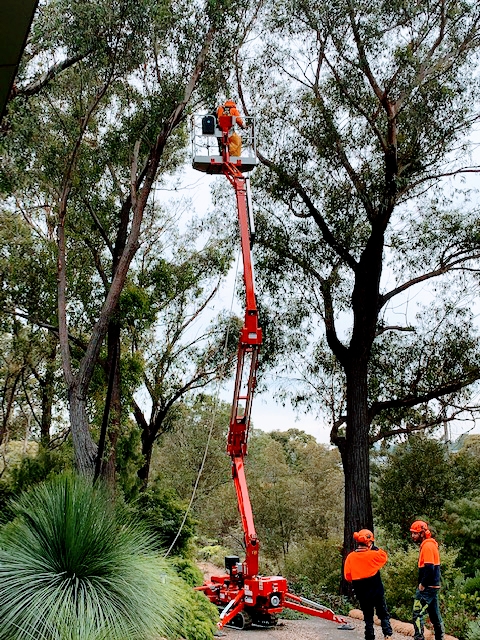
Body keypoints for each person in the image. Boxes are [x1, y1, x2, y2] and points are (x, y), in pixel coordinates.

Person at [344, 529, 393, 640]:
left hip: (361, 591)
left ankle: (369, 636)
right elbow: (384, 557)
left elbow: (348, 577)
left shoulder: (350, 557)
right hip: (376, 590)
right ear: (369, 542)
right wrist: (374, 548)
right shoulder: (374, 555)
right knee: (383, 613)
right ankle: (387, 634)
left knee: (368, 615)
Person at [410, 520, 444, 640]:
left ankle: (419, 638)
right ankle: (440, 637)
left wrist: (423, 584)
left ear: (422, 533)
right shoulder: (428, 545)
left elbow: (429, 567)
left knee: (417, 613)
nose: (413, 536)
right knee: (435, 615)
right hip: (432, 586)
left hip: (428, 587)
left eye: (415, 533)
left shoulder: (428, 546)